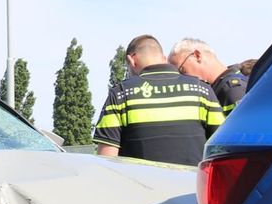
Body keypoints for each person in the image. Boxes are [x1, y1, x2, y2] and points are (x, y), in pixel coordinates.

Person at [93, 34, 224, 166]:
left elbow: (107, 161)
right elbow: (222, 146)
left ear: (132, 60)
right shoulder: (202, 90)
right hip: (192, 185)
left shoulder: (120, 94)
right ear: (164, 59)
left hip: (141, 185)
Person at [168, 38, 248, 113]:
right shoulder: (218, 89)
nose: (181, 79)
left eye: (181, 70)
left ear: (197, 56)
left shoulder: (233, 90)